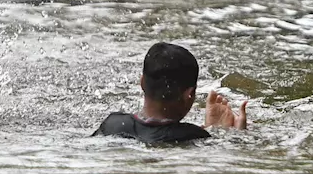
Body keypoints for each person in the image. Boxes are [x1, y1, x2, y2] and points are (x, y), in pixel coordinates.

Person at [94, 42, 248, 144]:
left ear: (141, 83)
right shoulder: (190, 135)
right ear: (189, 94)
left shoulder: (112, 123)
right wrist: (228, 133)